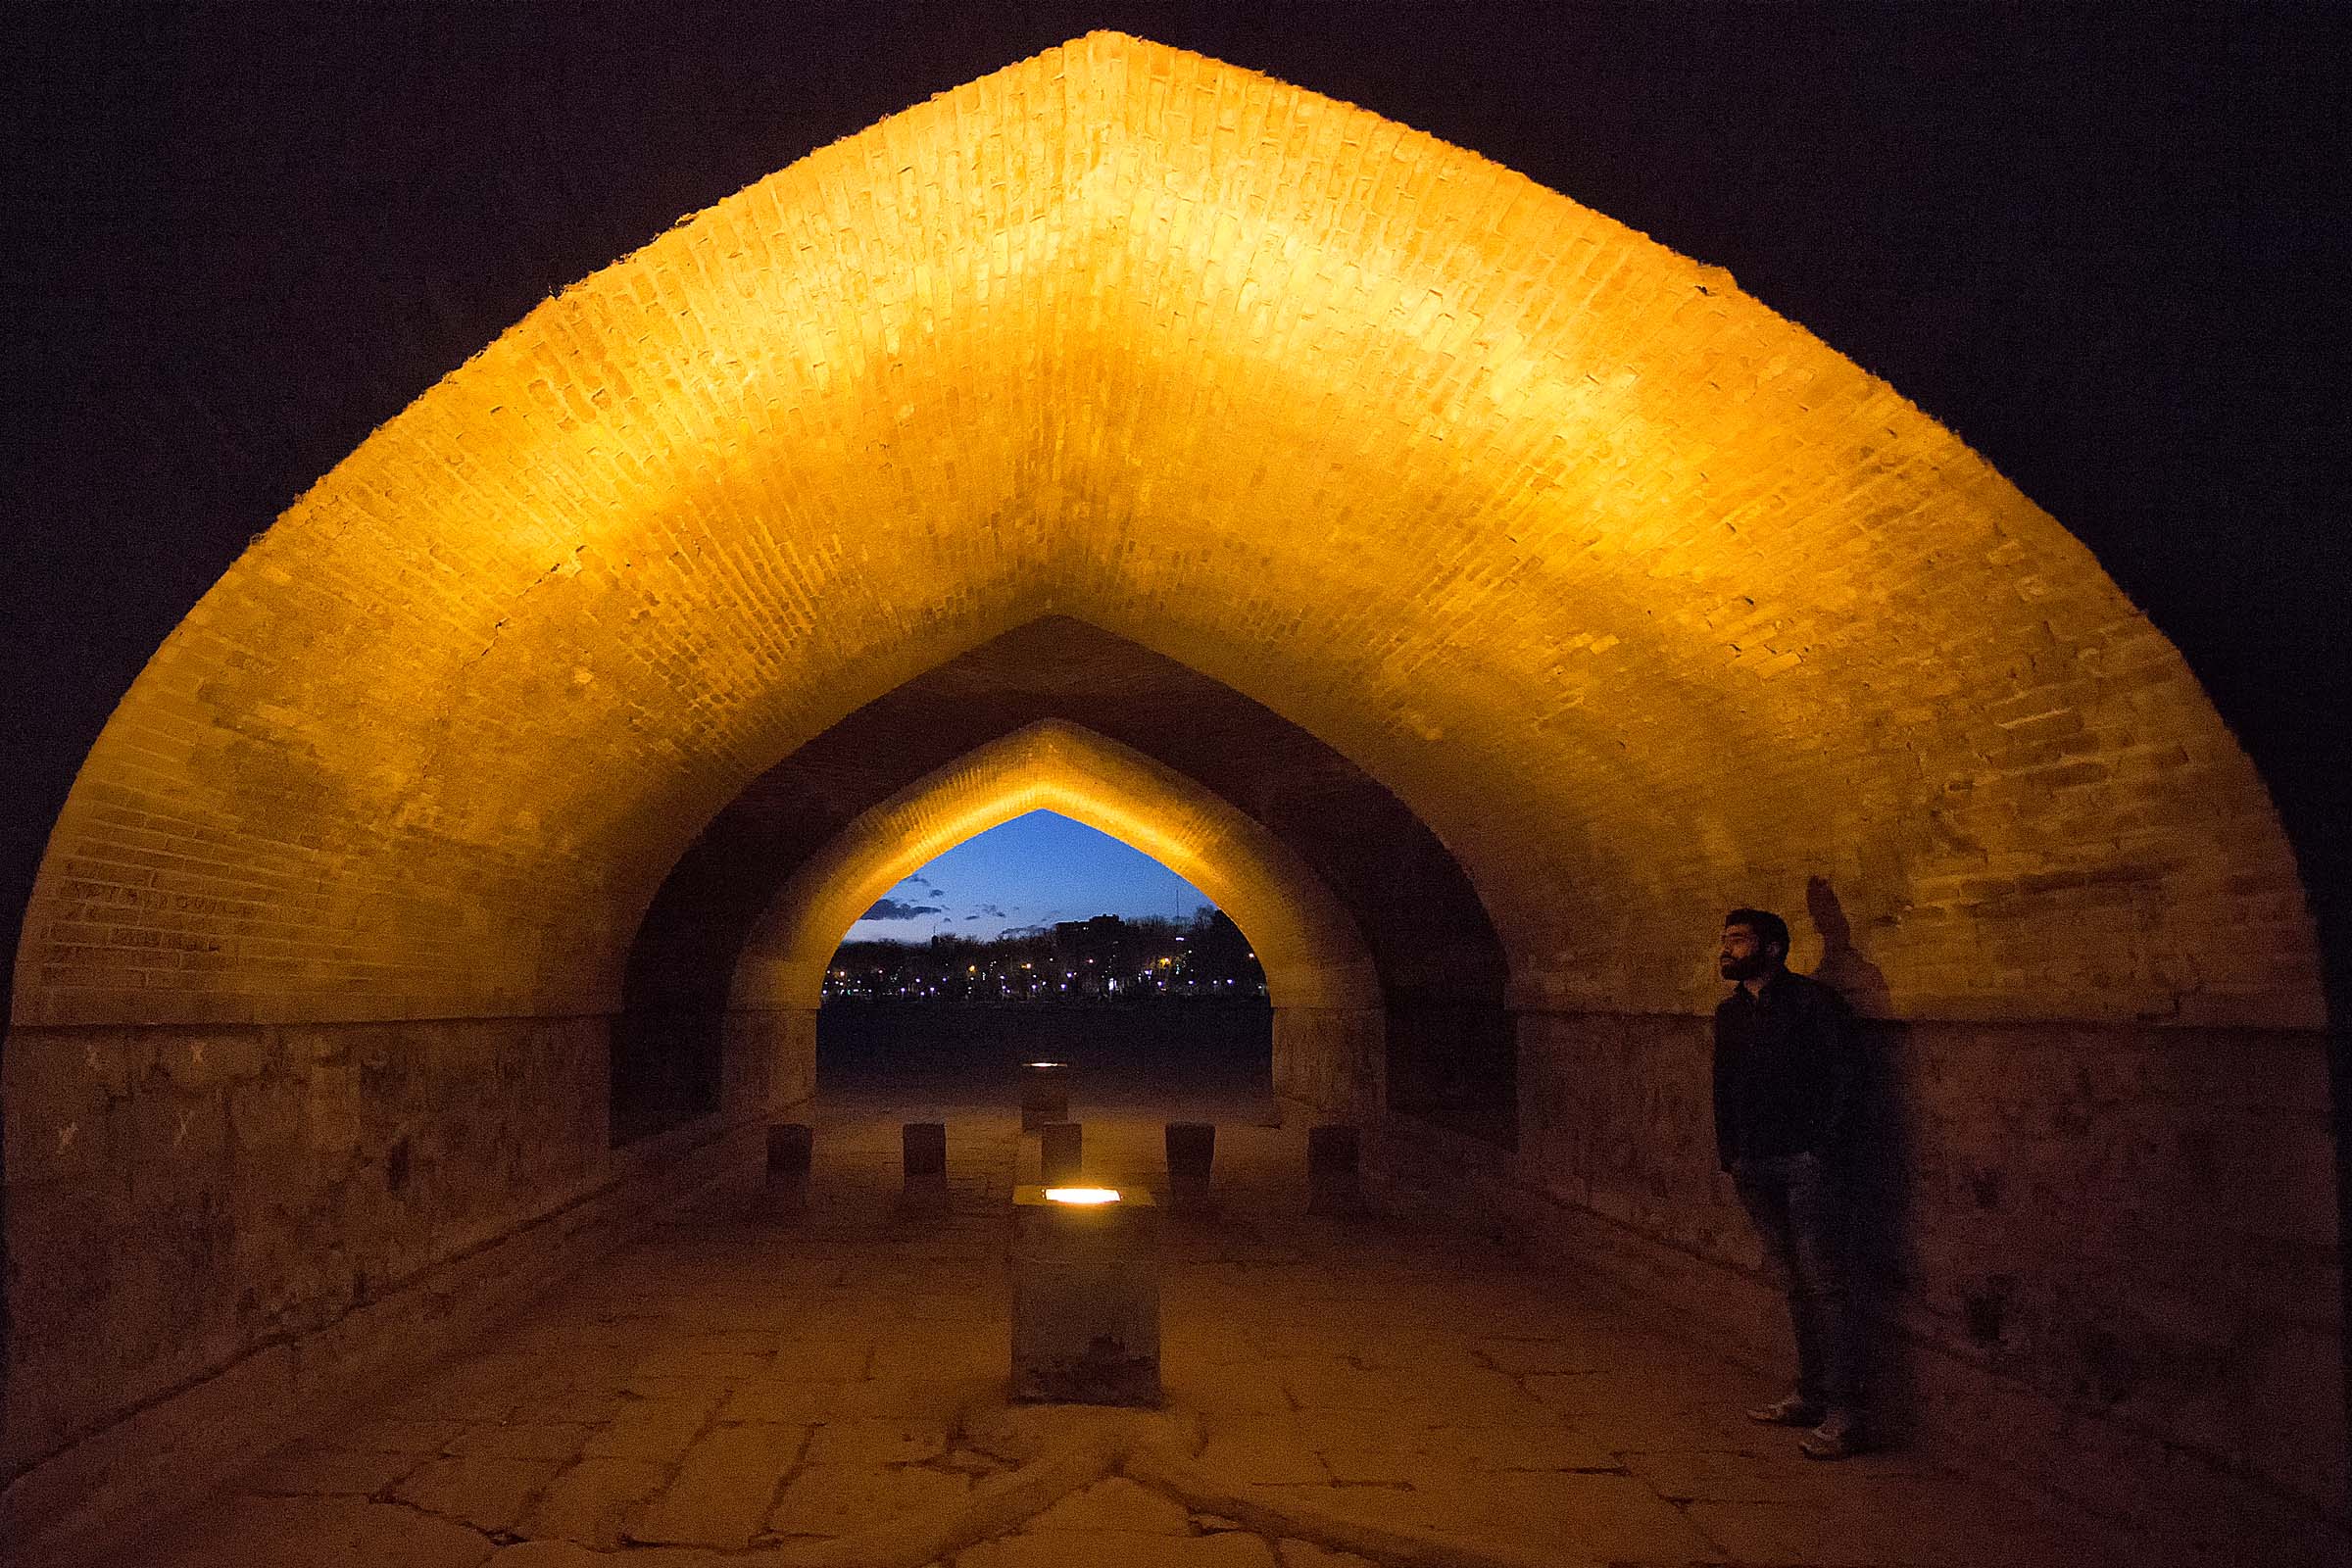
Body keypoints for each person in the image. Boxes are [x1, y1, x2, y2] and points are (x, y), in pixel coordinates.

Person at [1712, 906, 1869, 1458]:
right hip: (1755, 1165)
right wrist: (1731, 1153)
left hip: (1806, 1164)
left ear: (1773, 948)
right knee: (1794, 1283)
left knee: (1826, 1284)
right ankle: (1809, 1393)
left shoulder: (1814, 1004)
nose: (1726, 949)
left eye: (1738, 939)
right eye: (1725, 939)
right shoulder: (1731, 1013)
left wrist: (1822, 1150)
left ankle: (1845, 1411)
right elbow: (1724, 1085)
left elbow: (1849, 1080)